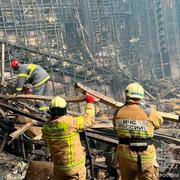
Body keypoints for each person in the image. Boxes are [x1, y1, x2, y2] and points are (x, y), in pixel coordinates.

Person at [113, 82, 163, 180]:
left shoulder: (118, 112)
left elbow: (116, 127)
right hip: (145, 157)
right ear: (142, 96)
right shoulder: (149, 112)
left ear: (127, 95)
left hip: (125, 156)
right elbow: (159, 123)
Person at [42, 95, 98, 180]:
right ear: (64, 109)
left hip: (59, 170)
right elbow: (88, 120)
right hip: (74, 169)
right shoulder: (70, 122)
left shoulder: (45, 128)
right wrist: (90, 103)